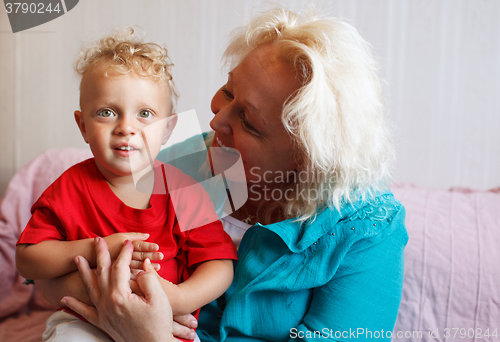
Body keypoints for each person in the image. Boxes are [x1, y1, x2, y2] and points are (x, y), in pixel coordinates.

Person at [38, 6, 408, 341]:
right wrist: (112, 298)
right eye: (228, 91)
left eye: (247, 119)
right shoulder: (195, 158)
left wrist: (148, 336)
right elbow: (59, 271)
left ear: (306, 161)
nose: (216, 119)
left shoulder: (369, 230)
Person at [15, 28, 237, 342]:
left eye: (144, 114)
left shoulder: (184, 191)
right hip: (84, 321)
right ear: (83, 126)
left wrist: (177, 298)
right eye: (107, 112)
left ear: (167, 129)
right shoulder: (70, 187)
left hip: (164, 323)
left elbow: (219, 265)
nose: (126, 128)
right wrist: (97, 248)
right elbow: (28, 258)